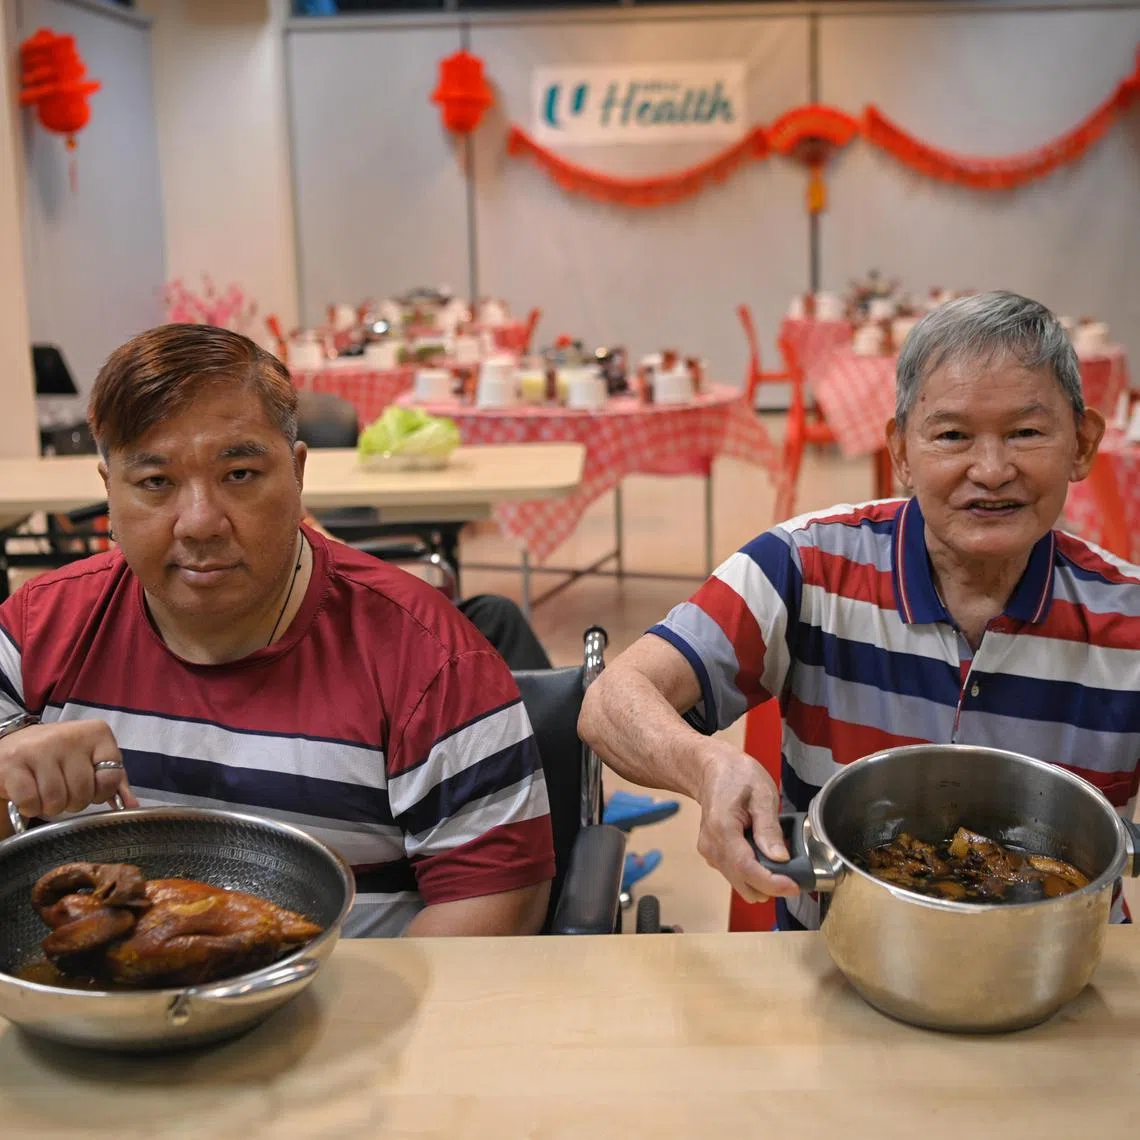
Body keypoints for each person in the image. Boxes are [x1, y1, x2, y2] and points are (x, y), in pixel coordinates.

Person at [580, 290, 1140, 929]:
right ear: (901, 452)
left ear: (1083, 444)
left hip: (1059, 979)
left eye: (1027, 432)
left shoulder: (1127, 620)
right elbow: (610, 702)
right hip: (837, 966)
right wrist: (709, 768)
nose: (991, 469)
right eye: (953, 435)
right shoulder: (805, 566)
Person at [0, 324, 555, 938]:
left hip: (345, 1020)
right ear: (110, 494)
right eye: (156, 482)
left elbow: (493, 909)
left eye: (239, 473)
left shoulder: (430, 660)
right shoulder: (37, 627)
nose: (200, 523)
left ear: (296, 475)